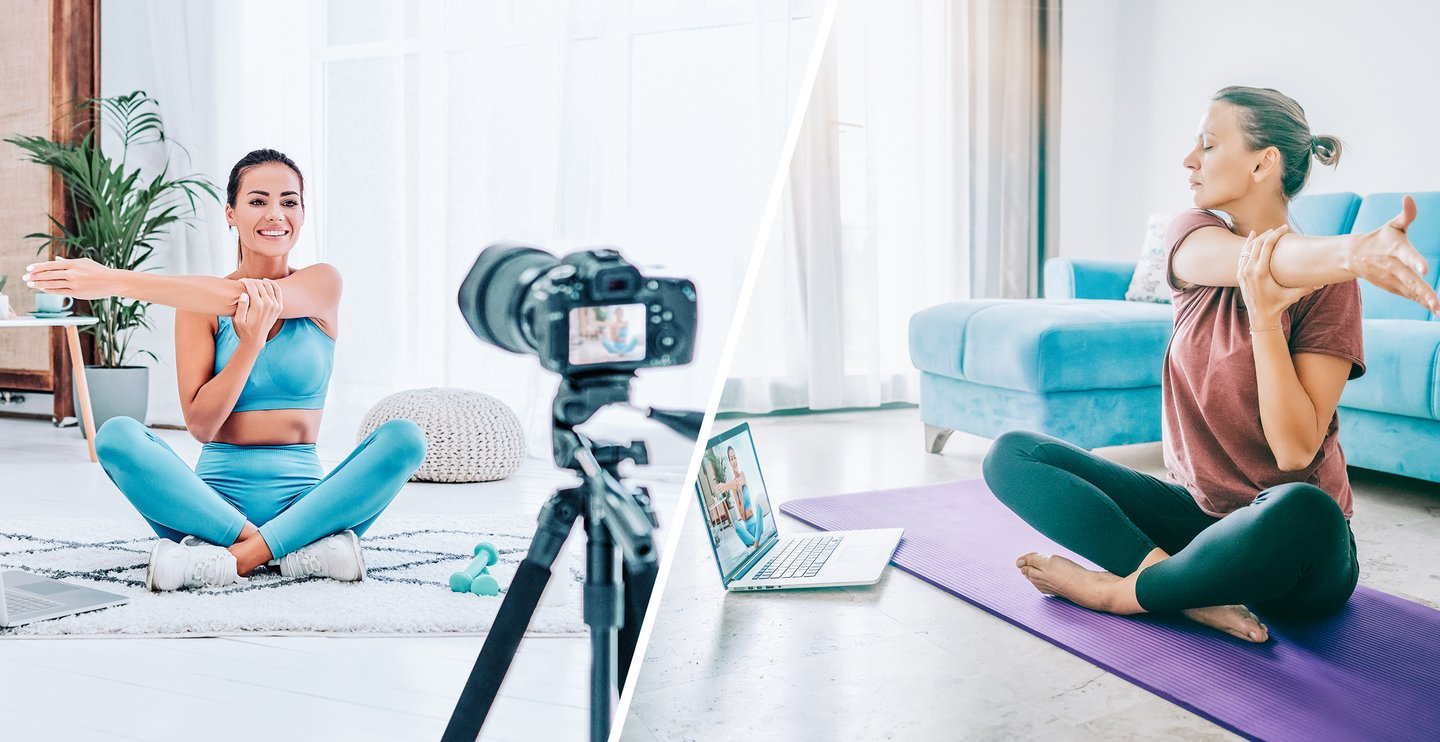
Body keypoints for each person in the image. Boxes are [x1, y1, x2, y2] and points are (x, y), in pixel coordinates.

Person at [982, 86, 1440, 642]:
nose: (1189, 160)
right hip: (1198, 525)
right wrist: (1352, 253)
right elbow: (1256, 260)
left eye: (1208, 144)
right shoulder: (1193, 235)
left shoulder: (1330, 291)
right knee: (1014, 454)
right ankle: (1177, 586)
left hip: (1290, 548)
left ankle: (1120, 593)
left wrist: (1268, 323)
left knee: (1305, 508)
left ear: (1262, 163)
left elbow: (1295, 451)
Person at [23, 149, 427, 591]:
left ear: (303, 213)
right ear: (231, 213)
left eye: (289, 202)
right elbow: (201, 425)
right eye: (258, 201)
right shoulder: (199, 307)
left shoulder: (322, 283)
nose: (276, 214)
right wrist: (248, 346)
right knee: (116, 435)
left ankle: (235, 561)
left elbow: (254, 300)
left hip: (308, 505)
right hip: (212, 508)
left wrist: (115, 280)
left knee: (404, 438)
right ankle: (286, 551)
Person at [713, 446, 764, 548]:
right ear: (730, 462)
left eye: (734, 457)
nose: (734, 461)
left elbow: (738, 481)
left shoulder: (742, 475)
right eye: (731, 459)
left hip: (757, 527)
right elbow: (743, 516)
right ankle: (755, 541)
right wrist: (739, 492)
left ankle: (755, 541)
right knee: (736, 524)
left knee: (759, 507)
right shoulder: (733, 488)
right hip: (748, 533)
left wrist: (724, 486)